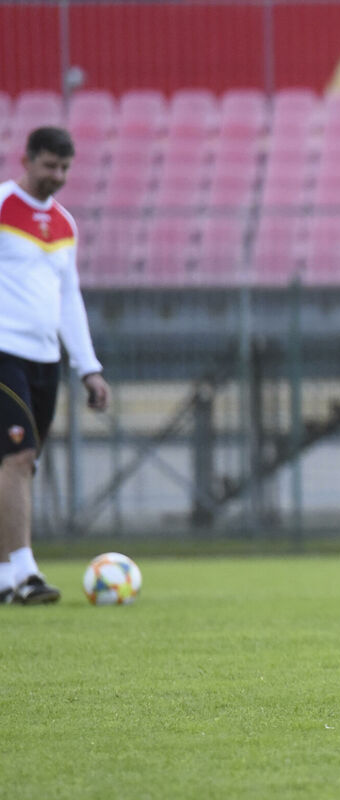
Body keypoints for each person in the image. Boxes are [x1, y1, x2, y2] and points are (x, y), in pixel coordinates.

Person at [1, 127, 110, 604]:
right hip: (4, 352)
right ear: (26, 160)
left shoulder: (64, 223)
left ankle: (4, 577)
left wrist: (88, 367)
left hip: (46, 358)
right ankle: (26, 574)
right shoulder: (3, 205)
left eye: (65, 168)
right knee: (18, 457)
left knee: (19, 465)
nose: (58, 176)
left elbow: (70, 299)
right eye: (50, 165)